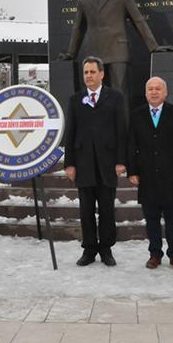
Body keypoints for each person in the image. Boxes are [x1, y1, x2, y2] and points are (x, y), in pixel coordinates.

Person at [63, 0, 169, 99]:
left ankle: (122, 121)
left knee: (120, 92)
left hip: (117, 50)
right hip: (94, 50)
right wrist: (71, 53)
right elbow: (78, 28)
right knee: (95, 93)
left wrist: (153, 47)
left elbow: (138, 21)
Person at [64, 56, 127, 266]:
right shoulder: (75, 99)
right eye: (86, 72)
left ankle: (106, 249)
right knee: (86, 210)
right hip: (83, 164)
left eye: (92, 72)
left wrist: (121, 161)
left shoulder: (115, 97)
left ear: (102, 74)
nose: (88, 76)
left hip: (108, 163)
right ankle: (89, 249)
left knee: (107, 210)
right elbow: (70, 133)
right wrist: (69, 163)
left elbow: (121, 130)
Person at [127, 77, 173, 270]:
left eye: (158, 89)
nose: (154, 92)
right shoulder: (136, 115)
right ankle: (155, 254)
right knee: (151, 219)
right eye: (150, 89)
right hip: (146, 176)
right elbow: (131, 145)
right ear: (145, 93)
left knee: (172, 219)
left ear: (165, 92)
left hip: (171, 176)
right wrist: (132, 171)